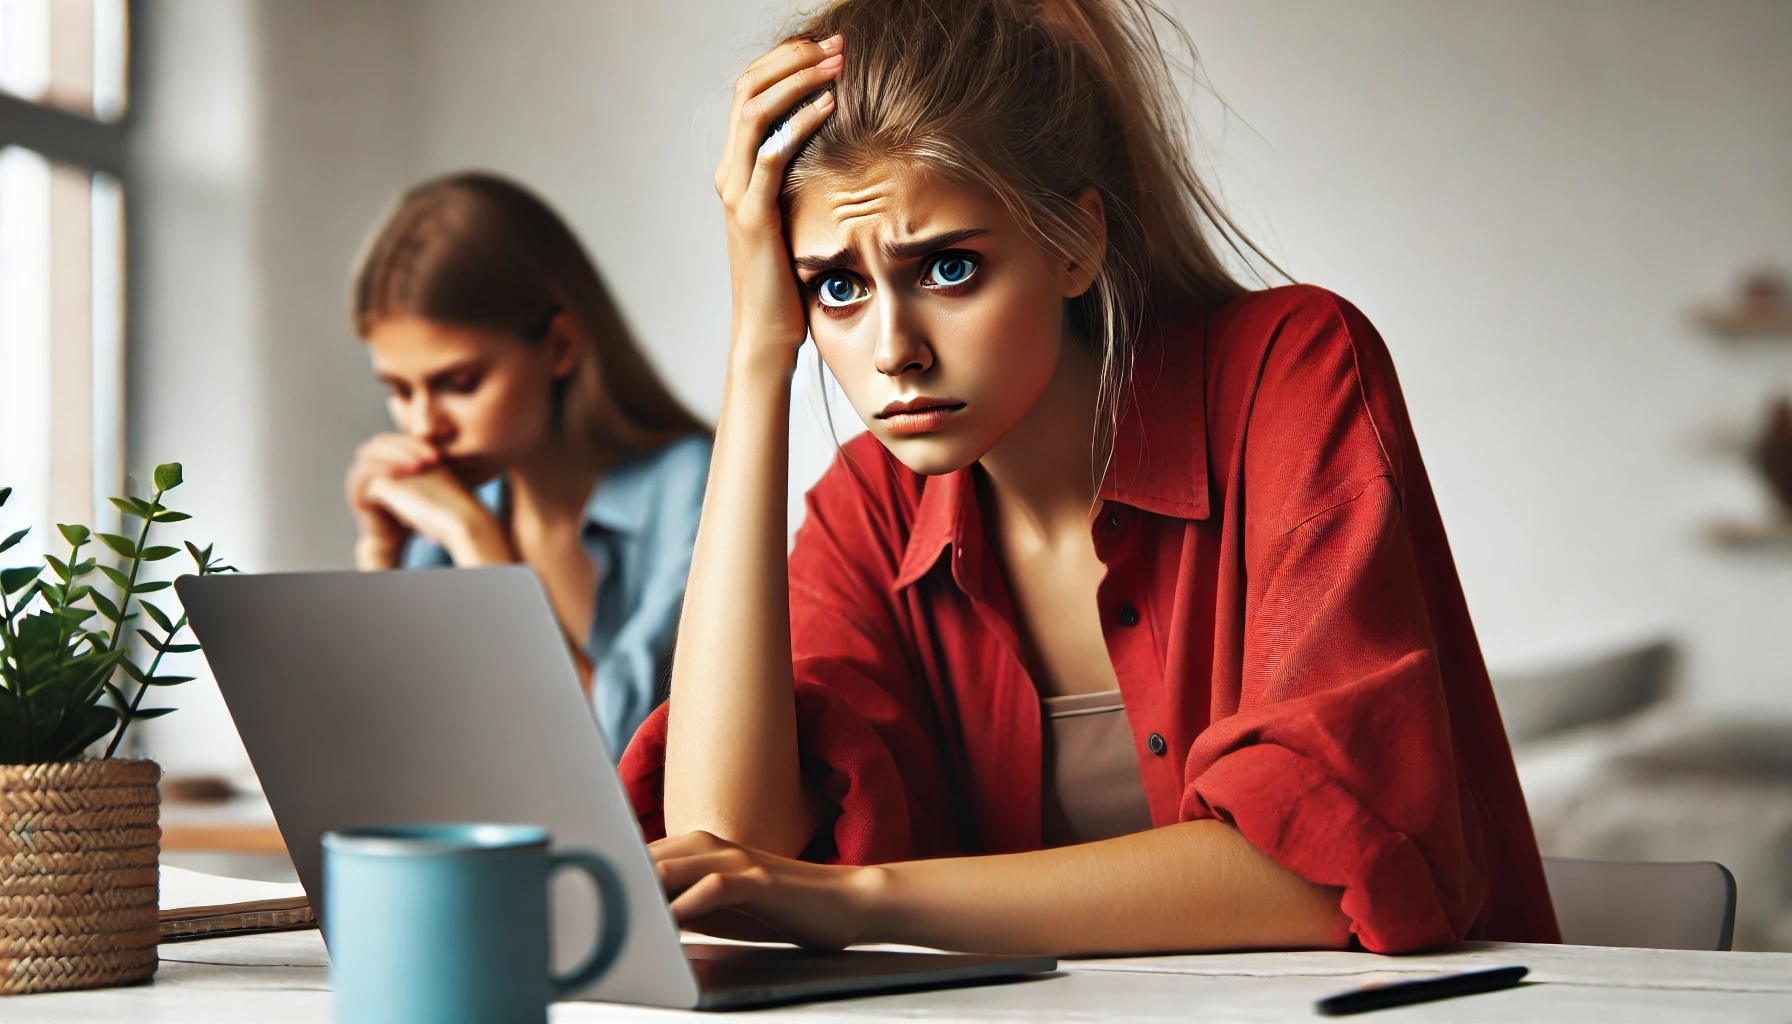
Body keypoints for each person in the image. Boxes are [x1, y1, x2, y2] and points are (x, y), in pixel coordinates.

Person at [627, 0, 1561, 956]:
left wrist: (862, 899)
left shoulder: (1291, 370)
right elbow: (725, 854)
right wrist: (756, 356)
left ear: (1076, 244)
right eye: (836, 287)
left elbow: (1324, 870)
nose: (892, 351)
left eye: (948, 268)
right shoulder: (869, 507)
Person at [345, 171, 711, 759]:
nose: (422, 425)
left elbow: (624, 759)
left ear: (560, 347)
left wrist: (484, 550)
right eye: (399, 389)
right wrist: (380, 556)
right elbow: (381, 757)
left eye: (459, 384)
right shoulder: (451, 512)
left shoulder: (688, 484)